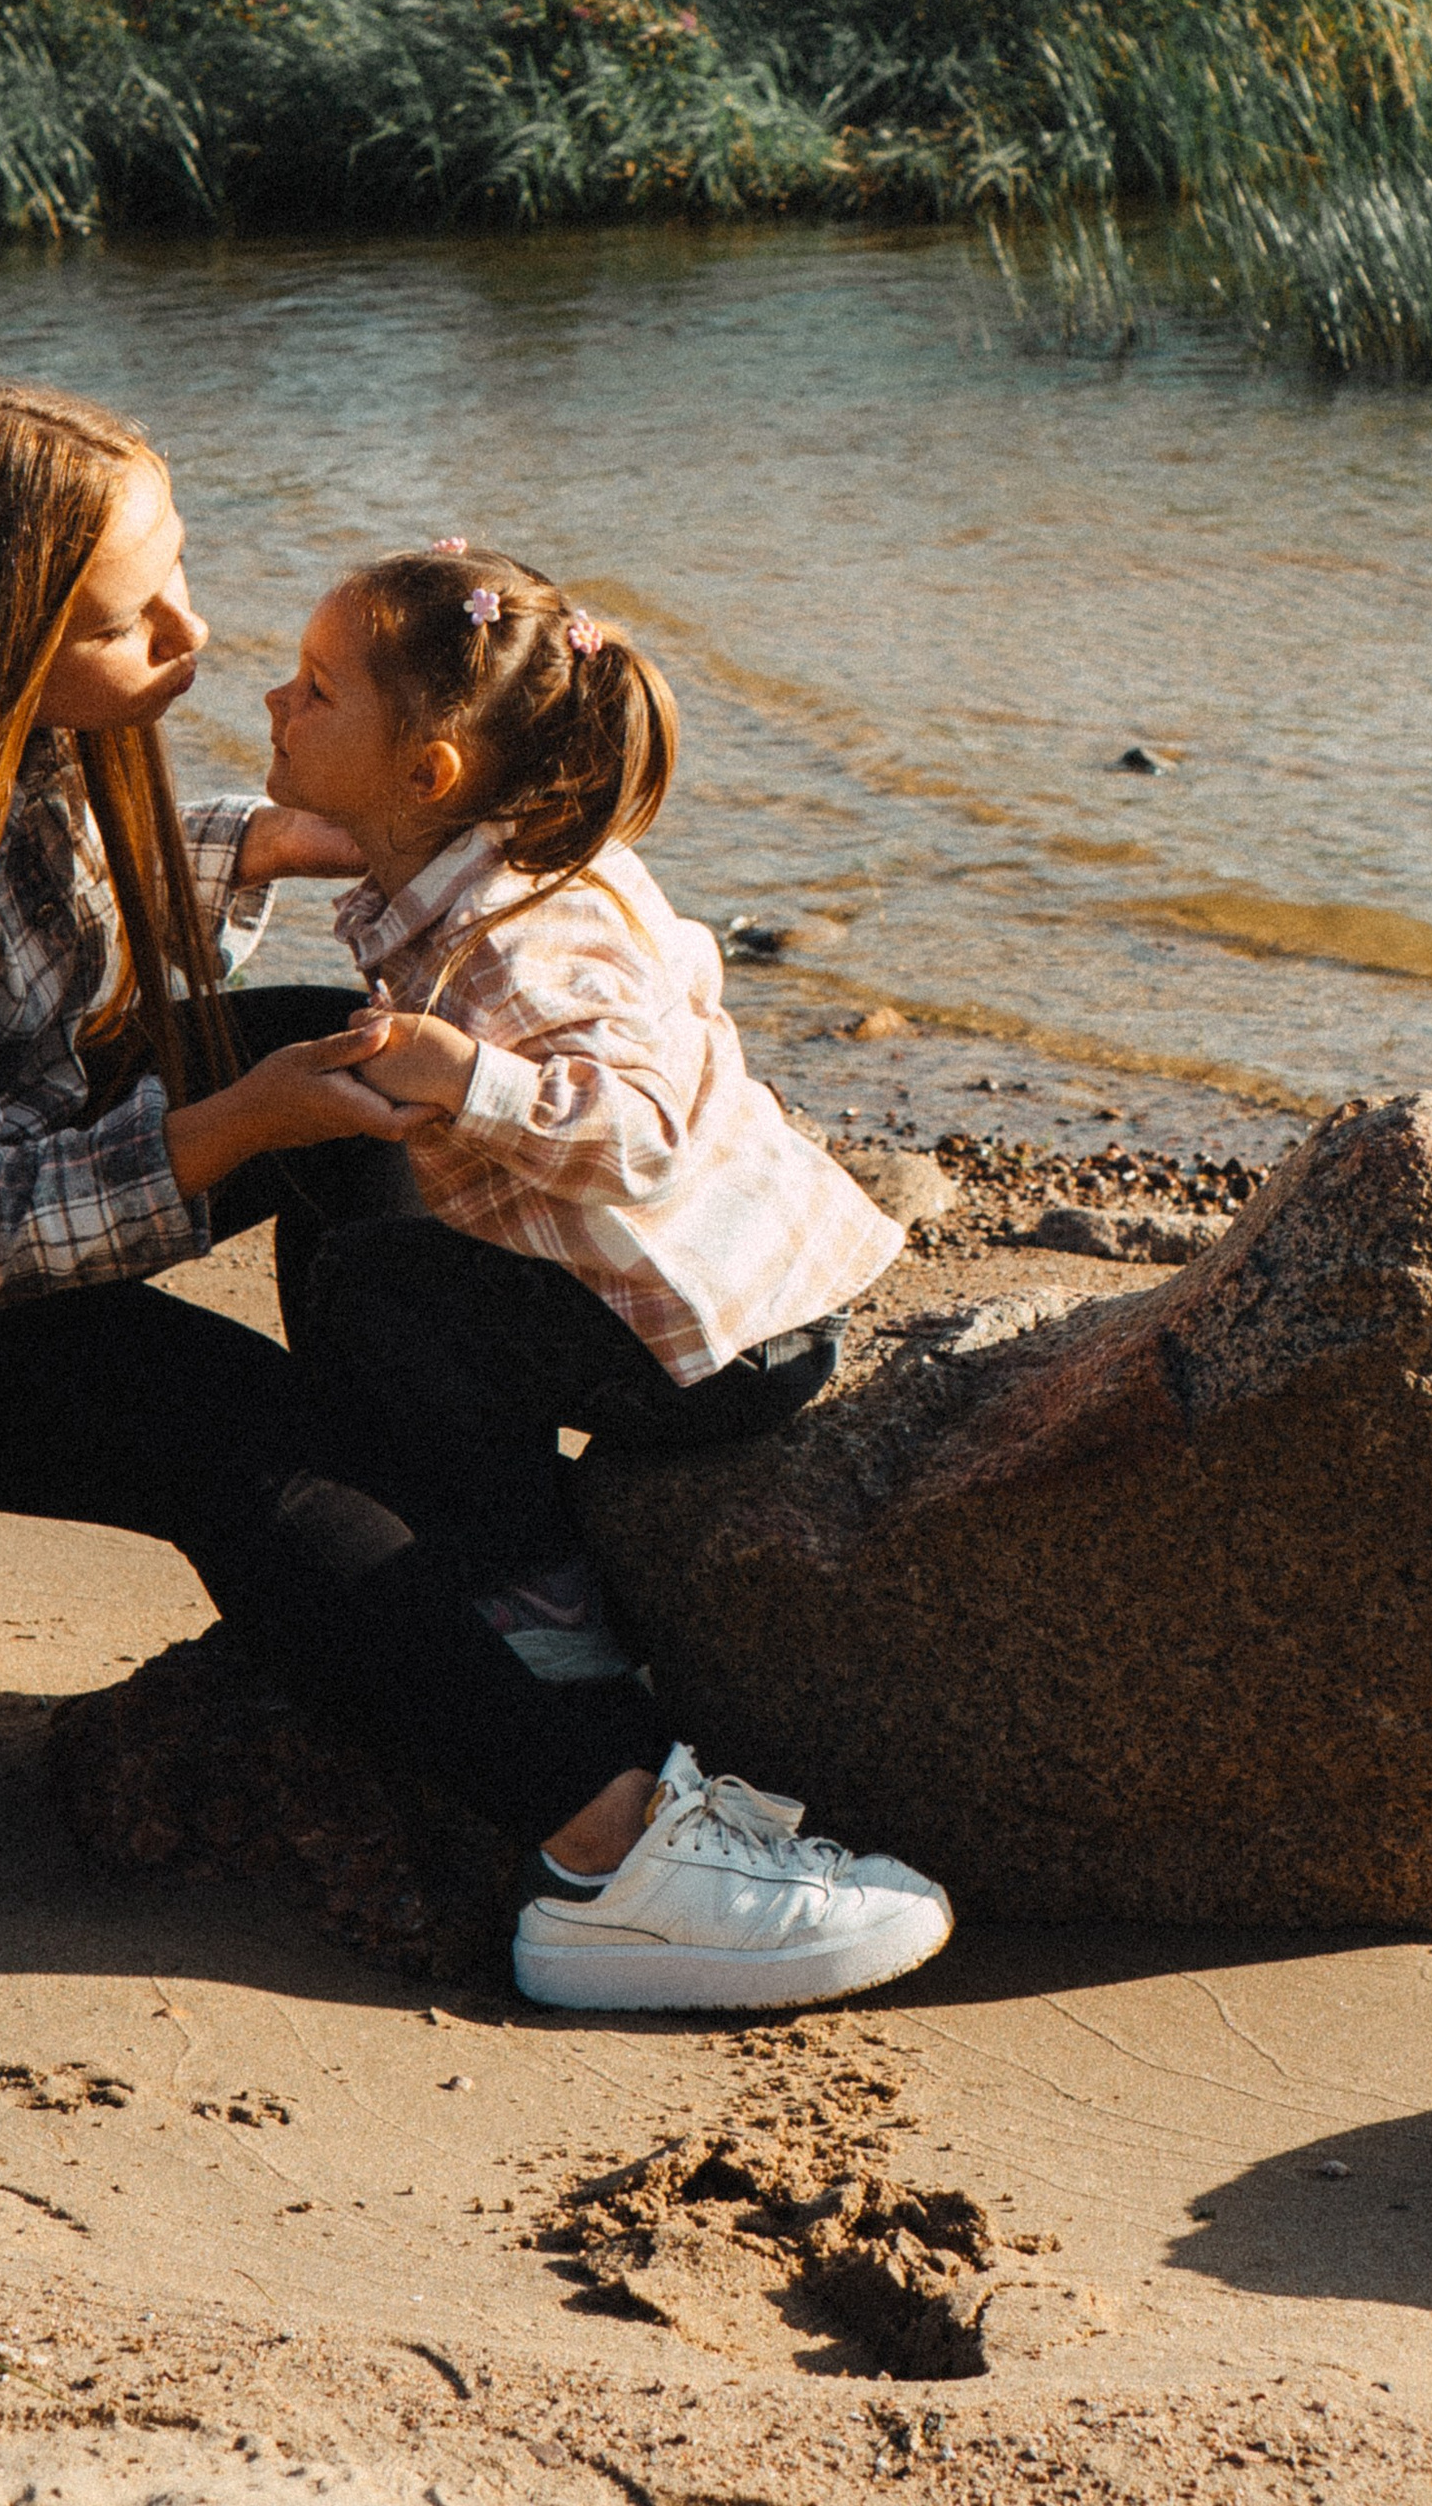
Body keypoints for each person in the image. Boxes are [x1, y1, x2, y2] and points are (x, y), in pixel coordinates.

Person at [0, 381, 949, 2016]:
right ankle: (603, 1846)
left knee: (330, 1058)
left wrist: (282, 854)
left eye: (182, 570)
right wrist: (216, 1135)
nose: (192, 638)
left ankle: (479, 1567)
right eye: (133, 620)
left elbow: (34, 893)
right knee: (223, 1422)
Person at [258, 539, 942, 2009]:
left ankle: (538, 1601)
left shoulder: (516, 951)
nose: (272, 703)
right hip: (753, 1283)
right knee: (357, 1214)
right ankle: (409, 1508)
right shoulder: (519, 857)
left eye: (313, 693)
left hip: (712, 1344)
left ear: (430, 772)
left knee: (381, 1288)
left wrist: (479, 1083)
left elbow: (635, 1133)